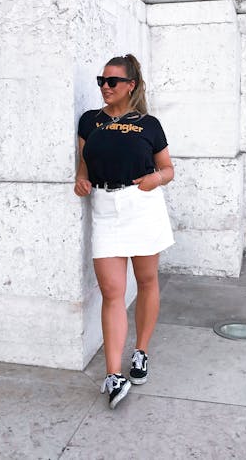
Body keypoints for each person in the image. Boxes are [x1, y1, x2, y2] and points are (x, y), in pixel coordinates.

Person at [74, 54, 175, 409]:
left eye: (112, 81)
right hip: (105, 208)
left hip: (142, 205)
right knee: (112, 291)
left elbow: (168, 169)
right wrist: (81, 179)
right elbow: (84, 163)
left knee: (146, 282)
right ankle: (113, 373)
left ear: (130, 85)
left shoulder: (149, 125)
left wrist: (155, 179)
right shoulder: (89, 122)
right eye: (101, 80)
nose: (105, 86)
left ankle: (141, 352)